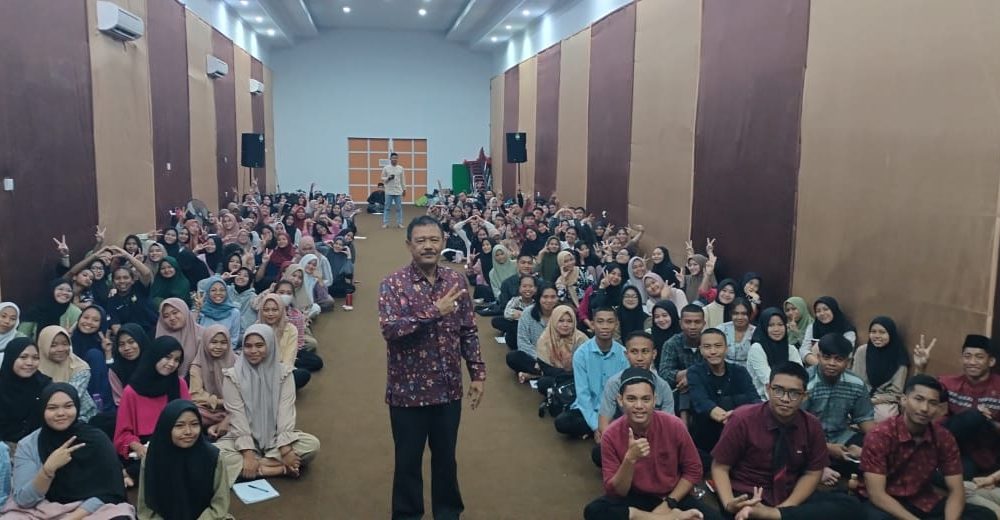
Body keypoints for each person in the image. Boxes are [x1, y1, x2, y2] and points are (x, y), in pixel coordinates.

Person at [378, 216, 485, 520]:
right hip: (407, 393)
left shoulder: (456, 281)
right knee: (407, 462)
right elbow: (391, 330)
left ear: (443, 242)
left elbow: (468, 330)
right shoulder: (393, 284)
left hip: (448, 390)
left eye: (434, 240)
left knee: (446, 460)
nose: (428, 246)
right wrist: (433, 311)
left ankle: (448, 513)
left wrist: (477, 373)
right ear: (409, 245)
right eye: (421, 240)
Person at [711, 362, 863, 520]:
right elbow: (720, 467)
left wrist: (784, 510)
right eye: (778, 390)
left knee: (850, 505)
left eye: (794, 393)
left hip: (790, 496)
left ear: (805, 396)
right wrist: (729, 504)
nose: (785, 399)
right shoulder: (742, 419)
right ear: (768, 389)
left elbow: (813, 473)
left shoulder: (811, 425)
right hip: (749, 496)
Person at [584, 367, 719, 520]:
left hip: (673, 496)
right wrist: (630, 459)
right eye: (631, 399)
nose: (639, 406)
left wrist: (669, 503)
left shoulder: (674, 425)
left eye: (646, 399)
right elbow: (616, 492)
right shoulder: (611, 435)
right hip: (636, 497)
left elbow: (693, 470)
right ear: (620, 400)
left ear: (655, 399)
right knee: (595, 511)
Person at [860, 374, 995, 520]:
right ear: (904, 400)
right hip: (887, 502)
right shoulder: (880, 435)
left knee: (985, 515)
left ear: (938, 408)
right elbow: (877, 495)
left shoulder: (943, 437)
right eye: (918, 399)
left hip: (922, 500)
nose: (925, 408)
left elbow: (956, 491)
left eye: (932, 403)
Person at [7, 383, 134, 518]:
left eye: (68, 406)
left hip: (92, 509)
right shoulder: (28, 445)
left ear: (77, 407)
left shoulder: (96, 440)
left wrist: (72, 518)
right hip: (43, 508)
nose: (61, 413)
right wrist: (47, 470)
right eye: (52, 408)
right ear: (42, 409)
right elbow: (24, 500)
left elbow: (110, 492)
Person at [216, 325, 320, 485]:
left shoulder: (284, 374)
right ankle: (277, 469)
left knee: (312, 444)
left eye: (259, 345)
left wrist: (285, 449)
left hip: (275, 439)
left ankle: (251, 468)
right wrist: (248, 454)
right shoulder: (232, 376)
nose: (253, 351)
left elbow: (285, 413)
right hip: (241, 439)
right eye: (248, 346)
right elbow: (237, 417)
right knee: (215, 454)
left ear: (270, 345)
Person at [913, 333, 1000, 479]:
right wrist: (920, 368)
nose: (972, 362)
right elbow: (918, 396)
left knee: (960, 473)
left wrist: (987, 421)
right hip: (948, 444)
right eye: (967, 356)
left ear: (991, 361)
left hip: (981, 452)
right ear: (961, 359)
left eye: (979, 357)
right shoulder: (951, 383)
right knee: (971, 416)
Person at [138, 400, 232, 520]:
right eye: (179, 426)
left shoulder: (213, 457)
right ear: (167, 427)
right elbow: (146, 507)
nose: (188, 432)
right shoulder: (152, 458)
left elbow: (219, 505)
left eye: (194, 424)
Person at [595, 332, 676, 467]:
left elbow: (669, 426)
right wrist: (611, 443)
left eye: (645, 351)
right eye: (634, 352)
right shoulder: (614, 383)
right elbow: (604, 424)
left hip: (655, 442)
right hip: (624, 440)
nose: (640, 358)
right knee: (599, 453)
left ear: (654, 354)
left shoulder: (663, 386)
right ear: (626, 354)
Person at [114, 336, 191, 479]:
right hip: (145, 448)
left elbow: (190, 419)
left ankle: (131, 475)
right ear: (155, 356)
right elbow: (122, 434)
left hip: (178, 441)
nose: (171, 363)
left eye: (176, 360)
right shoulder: (132, 392)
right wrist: (137, 446)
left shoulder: (179, 384)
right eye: (167, 357)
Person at [801, 334, 875, 478]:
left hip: (842, 437)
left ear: (848, 361)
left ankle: (825, 468)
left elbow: (864, 418)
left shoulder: (856, 384)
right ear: (818, 357)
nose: (832, 363)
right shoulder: (805, 382)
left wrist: (874, 446)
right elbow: (795, 426)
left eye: (839, 359)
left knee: (872, 458)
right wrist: (826, 448)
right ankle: (819, 469)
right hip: (808, 441)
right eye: (826, 357)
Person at [555, 308, 629, 438]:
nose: (605, 326)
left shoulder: (624, 354)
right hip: (589, 408)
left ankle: (603, 431)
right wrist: (596, 426)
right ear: (593, 324)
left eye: (610, 321)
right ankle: (606, 431)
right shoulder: (581, 354)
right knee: (562, 422)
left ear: (616, 324)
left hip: (614, 410)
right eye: (600, 321)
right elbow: (583, 395)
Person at [687, 328, 759, 455]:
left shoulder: (740, 371)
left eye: (718, 346)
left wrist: (735, 418)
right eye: (707, 347)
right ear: (701, 350)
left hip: (741, 435)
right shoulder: (695, 372)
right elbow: (702, 402)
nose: (713, 351)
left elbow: (755, 401)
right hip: (707, 440)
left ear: (726, 348)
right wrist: (732, 418)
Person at [851, 316, 909, 422]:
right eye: (873, 332)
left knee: (886, 418)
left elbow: (896, 393)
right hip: (860, 395)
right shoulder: (862, 351)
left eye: (882, 332)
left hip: (883, 400)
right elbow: (854, 380)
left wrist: (872, 400)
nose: (877, 336)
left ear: (891, 334)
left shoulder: (900, 357)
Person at [36, 326, 98, 423]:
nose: (61, 349)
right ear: (43, 346)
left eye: (65, 344)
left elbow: (69, 399)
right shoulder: (32, 366)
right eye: (53, 345)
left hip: (79, 418)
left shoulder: (79, 368)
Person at [0, 338, 52, 444]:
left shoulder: (44, 385)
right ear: (11, 358)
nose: (30, 363)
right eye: (23, 357)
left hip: (36, 445)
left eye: (35, 358)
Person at [658, 305, 706, 418]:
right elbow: (664, 374)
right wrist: (697, 373)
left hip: (706, 390)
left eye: (697, 322)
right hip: (678, 393)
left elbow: (717, 367)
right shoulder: (671, 344)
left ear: (704, 324)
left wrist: (692, 377)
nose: (693, 326)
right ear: (680, 323)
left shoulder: (709, 342)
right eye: (688, 322)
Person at [746, 308, 802, 400]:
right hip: (759, 399)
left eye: (780, 324)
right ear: (764, 327)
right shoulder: (757, 348)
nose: (776, 329)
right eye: (771, 325)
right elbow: (768, 379)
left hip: (789, 397)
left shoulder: (790, 349)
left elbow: (799, 375)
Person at [189, 325, 236, 430]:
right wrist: (220, 402)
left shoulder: (237, 363)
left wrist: (231, 404)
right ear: (205, 342)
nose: (218, 347)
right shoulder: (197, 366)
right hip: (208, 410)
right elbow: (196, 396)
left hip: (233, 408)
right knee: (195, 413)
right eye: (213, 342)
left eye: (223, 343)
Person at [506, 284, 558, 375]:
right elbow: (523, 342)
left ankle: (537, 375)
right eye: (545, 297)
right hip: (535, 356)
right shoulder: (528, 313)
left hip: (558, 357)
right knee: (513, 357)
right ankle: (549, 374)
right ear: (538, 298)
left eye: (553, 297)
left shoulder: (561, 313)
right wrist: (540, 359)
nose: (549, 300)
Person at [155, 298, 204, 379]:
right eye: (166, 316)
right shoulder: (160, 335)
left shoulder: (202, 334)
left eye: (175, 313)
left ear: (184, 311)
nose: (172, 318)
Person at [799, 296, 856, 366]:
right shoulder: (813, 327)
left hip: (838, 368)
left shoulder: (847, 329)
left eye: (826, 309)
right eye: (818, 311)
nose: (822, 313)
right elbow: (803, 350)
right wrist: (819, 365)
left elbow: (848, 354)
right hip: (815, 366)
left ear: (834, 310)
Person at [195, 276, 242, 349]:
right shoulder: (202, 311)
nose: (218, 293)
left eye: (222, 290)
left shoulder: (234, 313)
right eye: (213, 290)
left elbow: (233, 340)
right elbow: (193, 333)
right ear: (207, 292)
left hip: (225, 352)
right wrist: (197, 310)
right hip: (202, 351)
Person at [109, 324, 147, 407]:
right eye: (121, 344)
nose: (126, 348)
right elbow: (120, 402)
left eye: (131, 342)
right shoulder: (116, 370)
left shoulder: (154, 364)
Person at [718, 298, 755, 365]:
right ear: (731, 314)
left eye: (744, 314)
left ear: (750, 314)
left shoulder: (756, 332)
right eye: (736, 313)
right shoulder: (721, 329)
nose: (739, 317)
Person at [381, 152, 406, 229]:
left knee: (399, 208)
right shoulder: (386, 168)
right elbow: (382, 178)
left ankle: (399, 223)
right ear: (390, 159)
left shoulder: (401, 168)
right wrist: (388, 178)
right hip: (389, 191)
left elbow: (403, 180)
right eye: (393, 158)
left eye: (396, 158)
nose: (394, 159)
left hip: (398, 191)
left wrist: (404, 189)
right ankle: (385, 223)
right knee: (387, 208)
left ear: (397, 159)